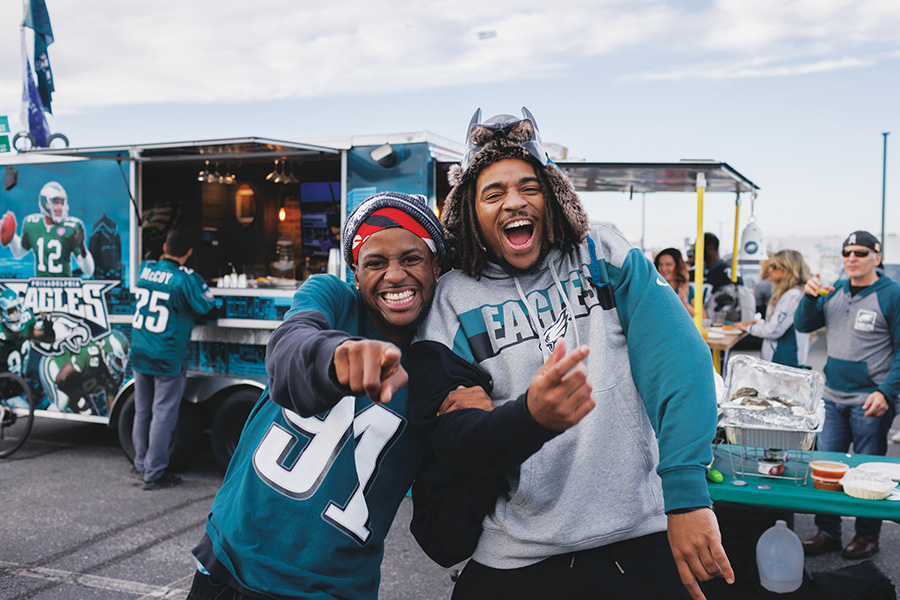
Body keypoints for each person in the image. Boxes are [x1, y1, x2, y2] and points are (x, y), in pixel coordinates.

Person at [409, 108, 733, 600]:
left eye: (529, 186)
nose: (513, 201)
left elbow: (679, 363)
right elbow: (450, 434)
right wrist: (525, 417)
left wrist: (687, 496)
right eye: (492, 193)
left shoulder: (602, 250)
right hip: (517, 551)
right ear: (468, 212)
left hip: (638, 530)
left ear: (554, 195)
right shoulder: (452, 299)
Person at [186, 192, 501, 600]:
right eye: (375, 262)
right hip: (226, 566)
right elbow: (286, 355)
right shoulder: (333, 300)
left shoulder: (437, 373)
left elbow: (444, 541)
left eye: (411, 258)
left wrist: (490, 443)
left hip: (332, 591)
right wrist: (334, 357)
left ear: (436, 267)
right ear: (355, 273)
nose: (394, 275)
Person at [796, 230, 900, 559]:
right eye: (847, 253)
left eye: (860, 252)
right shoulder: (834, 290)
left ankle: (868, 536)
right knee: (828, 469)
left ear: (877, 257)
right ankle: (828, 532)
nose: (852, 258)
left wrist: (886, 392)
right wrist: (809, 296)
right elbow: (803, 324)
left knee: (869, 471)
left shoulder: (892, 294)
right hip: (832, 396)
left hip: (870, 400)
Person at [131, 229, 215, 491]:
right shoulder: (184, 280)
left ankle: (141, 463)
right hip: (166, 354)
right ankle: (154, 474)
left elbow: (149, 259)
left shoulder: (145, 269)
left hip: (140, 349)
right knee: (163, 415)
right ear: (189, 252)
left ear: (165, 246)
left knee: (142, 411)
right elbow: (206, 306)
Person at [1, 181, 95, 278]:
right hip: (39, 288)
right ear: (45, 203)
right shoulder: (32, 224)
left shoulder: (72, 227)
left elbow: (89, 271)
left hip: (65, 287)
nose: (60, 207)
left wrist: (82, 248)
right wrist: (11, 237)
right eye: (56, 202)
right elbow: (19, 253)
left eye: (61, 202)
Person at [735, 249, 811, 368]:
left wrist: (749, 328)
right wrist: (758, 324)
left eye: (774, 266)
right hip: (780, 361)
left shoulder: (793, 295)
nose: (769, 270)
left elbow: (773, 330)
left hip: (785, 362)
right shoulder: (787, 293)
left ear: (789, 269)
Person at [39, 330, 130, 416]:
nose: (119, 366)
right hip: (55, 365)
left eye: (121, 362)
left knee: (89, 415)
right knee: (63, 401)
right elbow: (61, 379)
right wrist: (79, 400)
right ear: (106, 352)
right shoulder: (90, 355)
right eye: (117, 360)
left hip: (73, 382)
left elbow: (112, 409)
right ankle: (41, 427)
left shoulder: (115, 376)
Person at [655, 247, 697, 316]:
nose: (663, 268)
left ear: (678, 266)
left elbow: (703, 318)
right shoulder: (654, 290)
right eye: (660, 264)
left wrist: (684, 303)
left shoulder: (687, 289)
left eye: (668, 264)